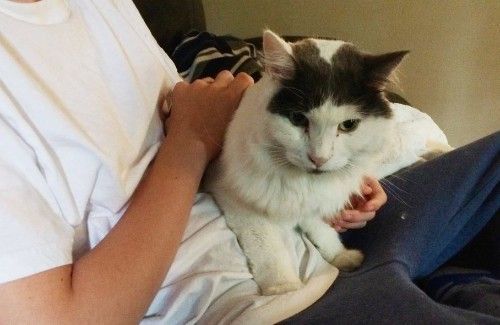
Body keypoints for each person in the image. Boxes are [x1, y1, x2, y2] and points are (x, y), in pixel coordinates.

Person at [0, 1, 498, 324]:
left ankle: (458, 285)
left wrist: (337, 181)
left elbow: (176, 102)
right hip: (259, 300)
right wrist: (191, 142)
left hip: (325, 234)